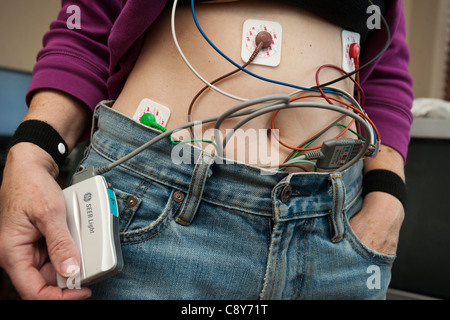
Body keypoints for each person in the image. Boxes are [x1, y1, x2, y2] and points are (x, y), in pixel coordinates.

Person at [0, 0, 413, 300]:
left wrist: (387, 197)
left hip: (334, 230)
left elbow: (385, 68)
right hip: (158, 209)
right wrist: (33, 151)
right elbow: (87, 29)